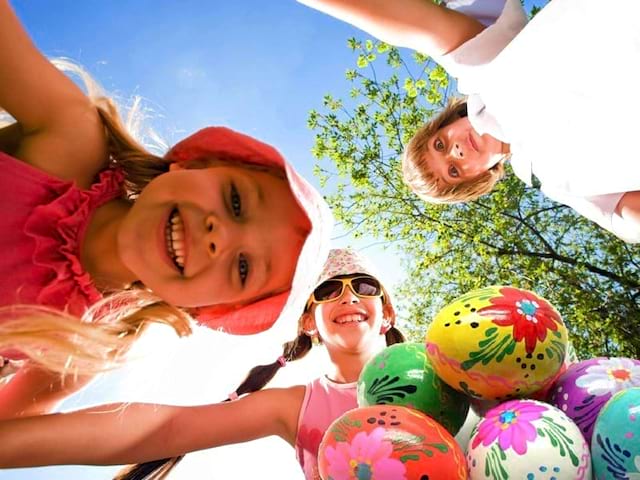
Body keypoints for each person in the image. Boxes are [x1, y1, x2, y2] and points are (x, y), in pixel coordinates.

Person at [0, 0, 332, 418]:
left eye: (243, 268)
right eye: (235, 201)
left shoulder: (83, 348)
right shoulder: (72, 138)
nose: (219, 237)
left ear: (205, 309)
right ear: (196, 163)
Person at [0, 248, 405, 480]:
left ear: (386, 313)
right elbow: (167, 427)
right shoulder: (296, 407)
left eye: (364, 287)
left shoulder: (441, 368)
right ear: (307, 323)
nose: (349, 298)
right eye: (330, 290)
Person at [298, 0, 640, 243]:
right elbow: (629, 213)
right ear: (477, 179)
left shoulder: (486, 71)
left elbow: (413, 25)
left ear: (446, 124)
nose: (456, 152)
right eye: (453, 170)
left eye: (441, 145)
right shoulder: (556, 180)